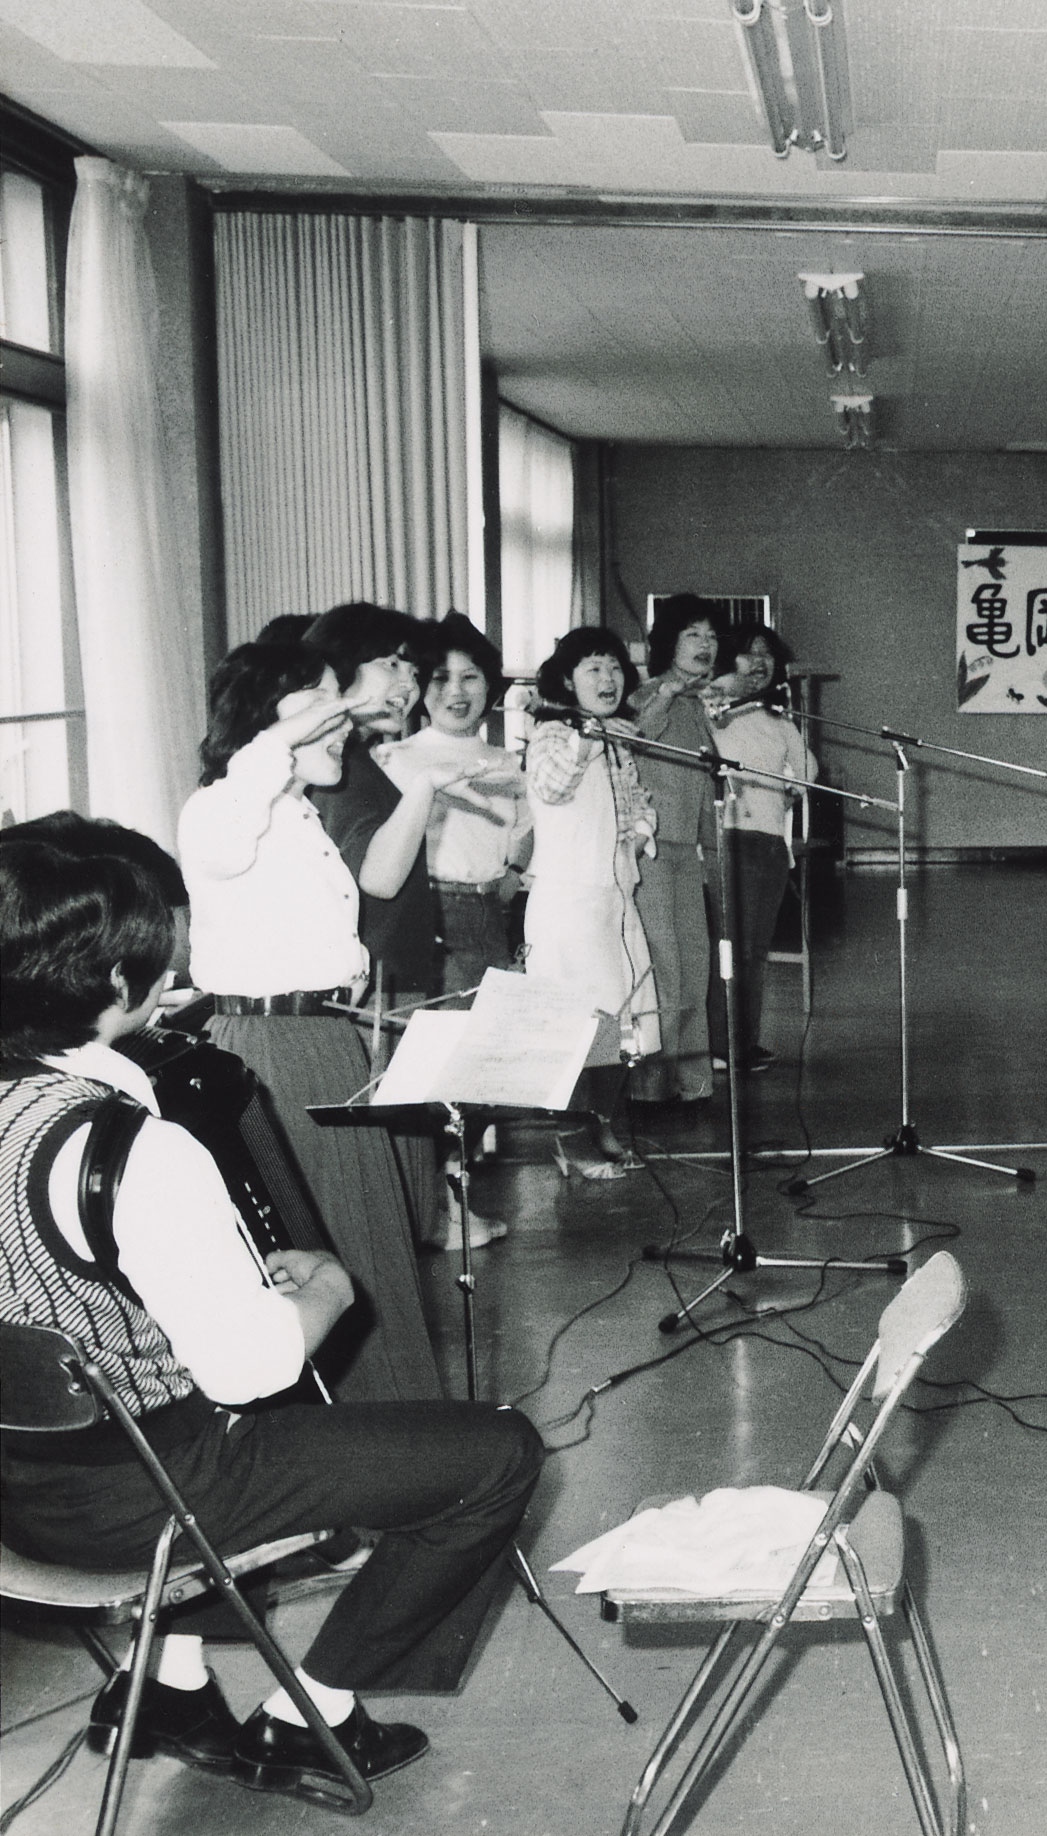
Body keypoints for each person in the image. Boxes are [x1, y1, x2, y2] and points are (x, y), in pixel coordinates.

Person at [0, 836, 542, 1804]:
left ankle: (168, 1688)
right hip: (141, 1503)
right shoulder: (130, 1147)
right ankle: (310, 1716)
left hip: (13, 1501)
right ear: (126, 980)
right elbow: (248, 1371)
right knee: (496, 1453)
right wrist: (326, 1285)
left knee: (203, 1412)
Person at [176, 643, 443, 1403]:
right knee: (333, 1248)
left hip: (325, 1041)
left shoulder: (299, 814)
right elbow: (223, 841)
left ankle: (408, 1446)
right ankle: (376, 1451)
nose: (343, 722)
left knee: (372, 1249)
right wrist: (279, 742)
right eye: (322, 704)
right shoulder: (223, 806)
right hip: (272, 1053)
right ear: (266, 720)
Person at [524, 628, 660, 1169]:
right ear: (566, 680)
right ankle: (571, 1139)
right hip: (568, 905)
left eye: (614, 668)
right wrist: (588, 739)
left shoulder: (617, 739)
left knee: (621, 1025)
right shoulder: (553, 737)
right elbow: (553, 786)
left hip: (615, 902)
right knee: (575, 1029)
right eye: (593, 669)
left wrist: (640, 832)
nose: (607, 680)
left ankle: (601, 1124)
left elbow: (637, 803)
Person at [299, 604, 444, 1005]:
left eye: (414, 673)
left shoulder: (352, 759)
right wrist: (426, 788)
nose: (410, 685)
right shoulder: (336, 768)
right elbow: (379, 878)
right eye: (392, 663)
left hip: (387, 986)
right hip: (372, 996)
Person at [381, 615, 530, 1003]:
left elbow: (526, 831)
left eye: (469, 677)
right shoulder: (393, 758)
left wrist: (512, 873)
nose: (456, 691)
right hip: (429, 915)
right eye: (440, 678)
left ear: (490, 684)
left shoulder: (509, 762)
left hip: (493, 914)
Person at [705, 620, 818, 1072]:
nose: (760, 662)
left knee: (753, 950)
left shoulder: (777, 718)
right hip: (729, 837)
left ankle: (741, 1043)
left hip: (769, 843)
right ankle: (720, 1045)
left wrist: (791, 785)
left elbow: (808, 768)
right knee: (729, 947)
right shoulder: (712, 707)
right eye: (749, 652)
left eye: (767, 653)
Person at [626, 598, 725, 1103]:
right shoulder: (650, 694)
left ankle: (692, 1083)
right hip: (649, 851)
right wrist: (667, 690)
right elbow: (635, 736)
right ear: (668, 643)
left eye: (710, 635)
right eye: (693, 634)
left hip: (685, 852)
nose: (705, 644)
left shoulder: (695, 704)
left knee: (694, 967)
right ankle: (650, 1087)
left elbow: (705, 787)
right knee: (660, 967)